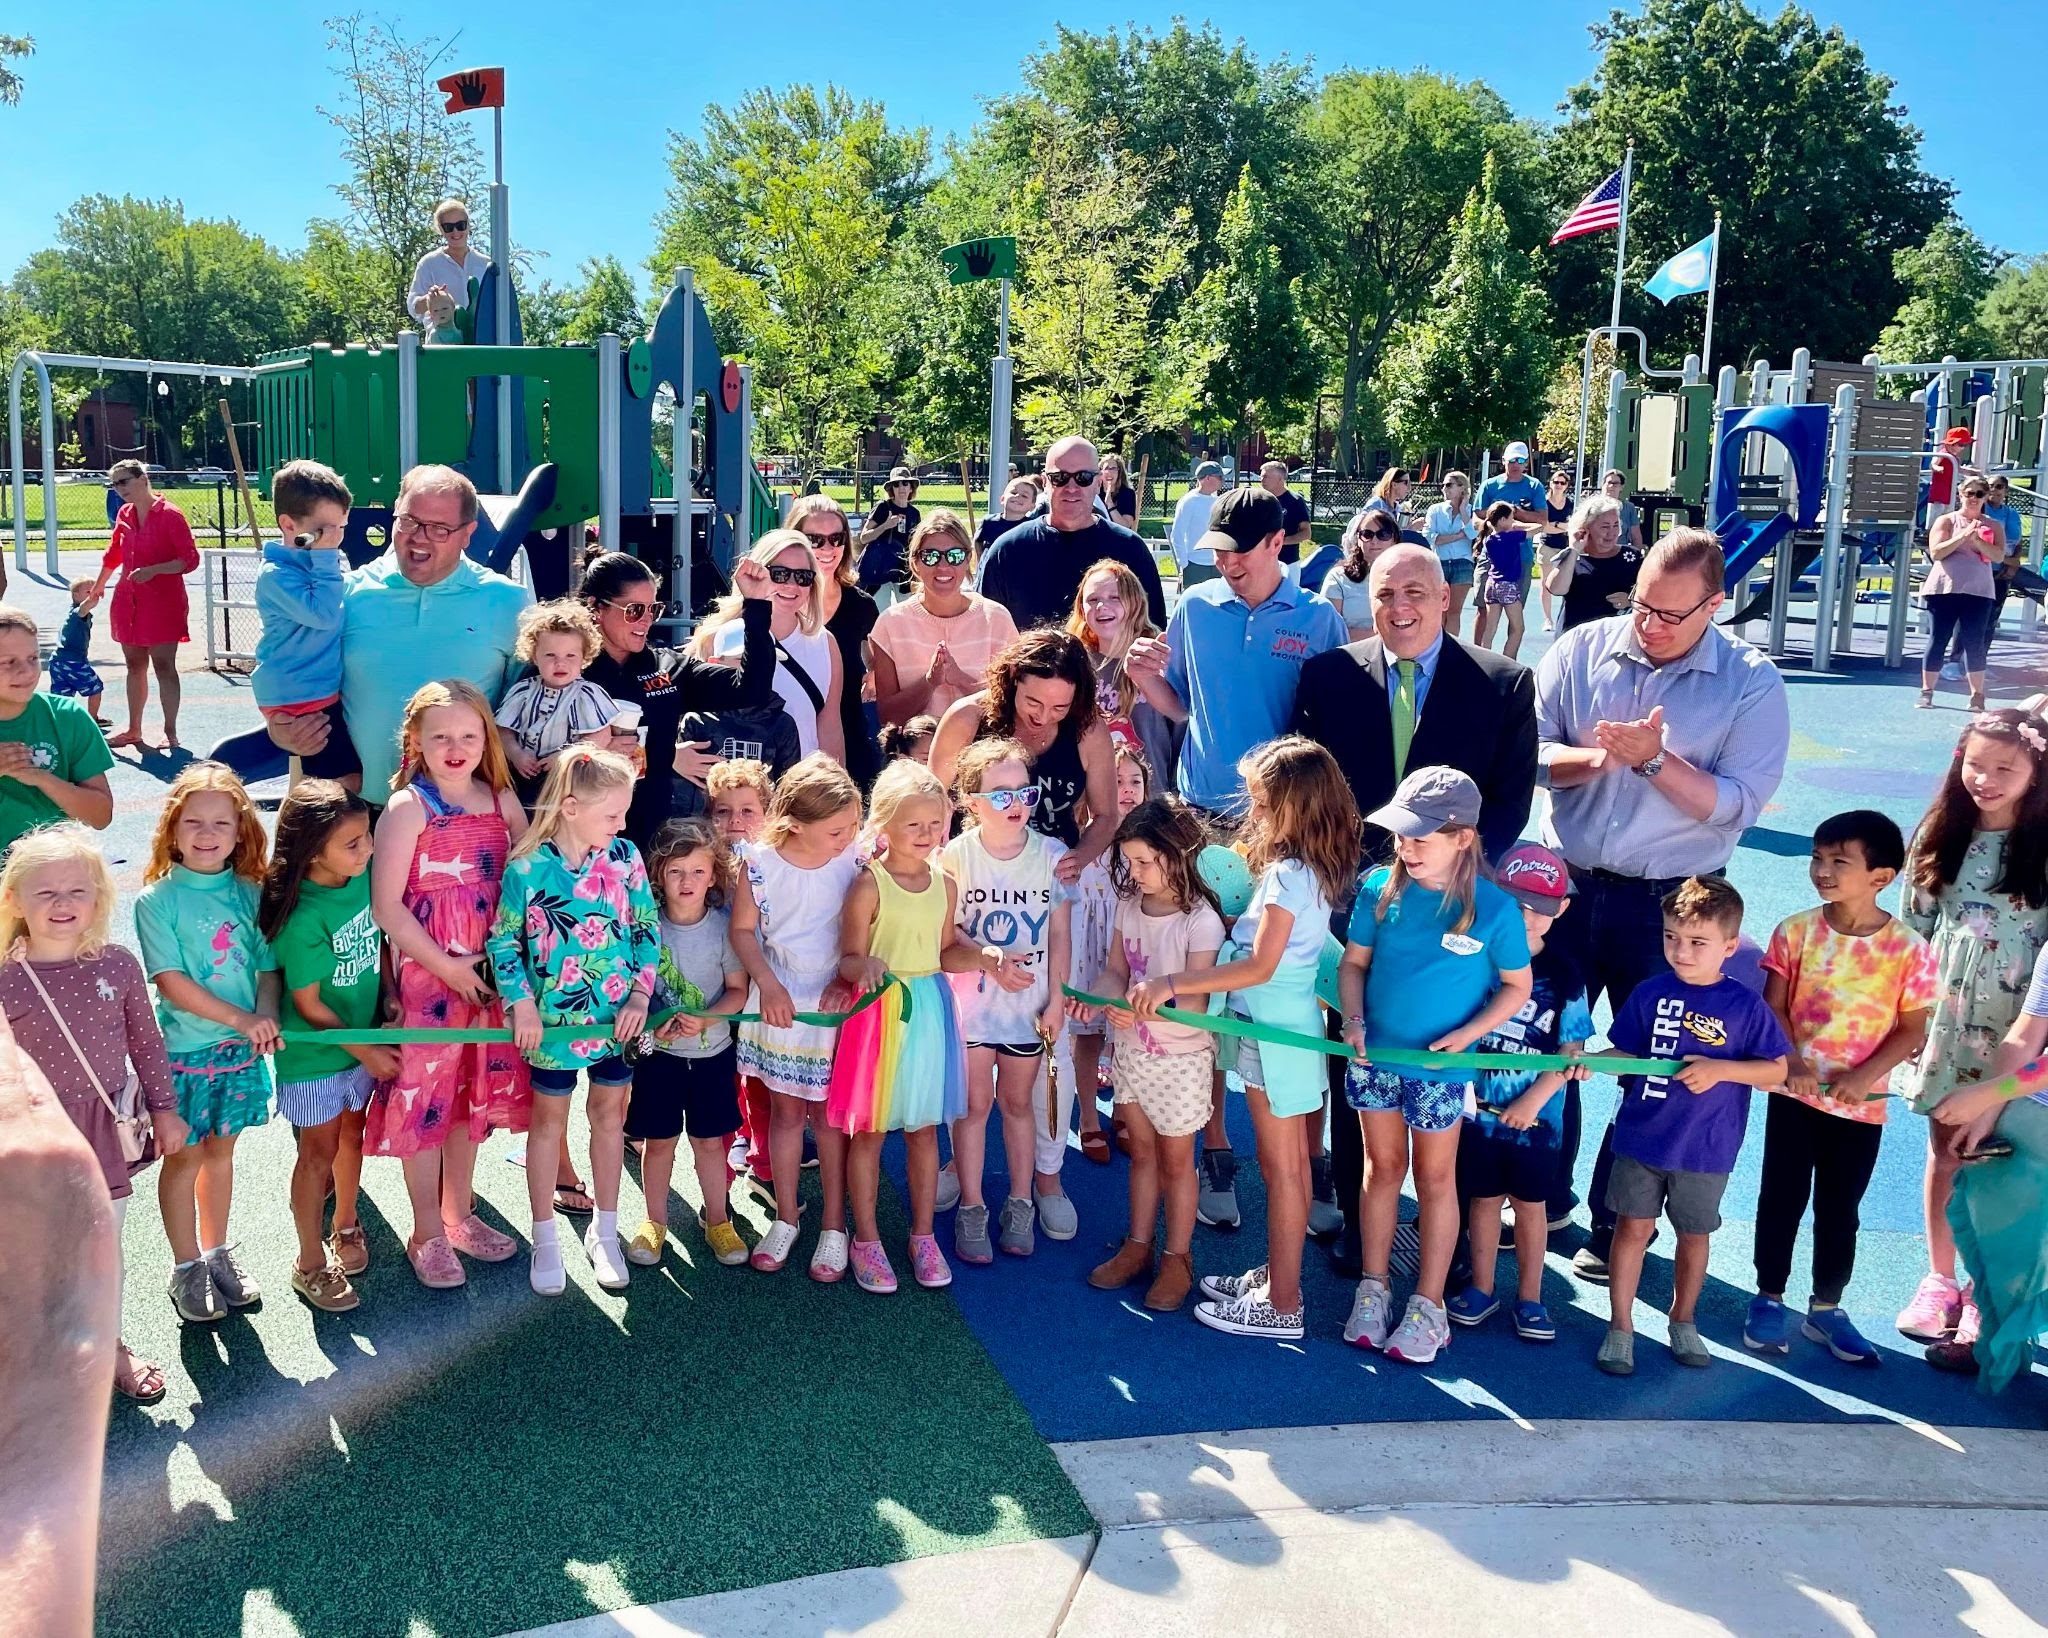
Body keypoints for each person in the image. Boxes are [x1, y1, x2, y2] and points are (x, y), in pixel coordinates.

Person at [1535, 527, 1790, 1274]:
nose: (1646, 623)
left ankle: (1621, 1222)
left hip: (1673, 908)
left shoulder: (1751, 682)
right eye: (1639, 603)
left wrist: (1653, 762)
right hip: (1566, 888)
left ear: (1716, 604)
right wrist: (1596, 758)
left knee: (1653, 1062)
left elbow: (1737, 803)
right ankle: (1545, 1203)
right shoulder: (1582, 649)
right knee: (1554, 1044)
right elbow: (1534, 748)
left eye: (1668, 614)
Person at [1160, 737, 1358, 1342]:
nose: (1255, 815)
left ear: (1295, 806)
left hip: (1274, 1035)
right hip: (1275, 1031)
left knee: (1284, 1171)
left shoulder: (1289, 874)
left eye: (1264, 803)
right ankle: (1279, 1276)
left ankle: (1284, 1300)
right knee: (1285, 1168)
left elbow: (1259, 967)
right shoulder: (1303, 869)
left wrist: (1174, 980)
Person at [1336, 767, 1534, 1365]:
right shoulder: (1378, 889)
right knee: (1382, 1167)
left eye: (1423, 837)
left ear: (1464, 838)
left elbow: (1516, 987)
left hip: (1442, 1074)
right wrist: (1353, 1023)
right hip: (1376, 1060)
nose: (1407, 847)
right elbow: (1353, 967)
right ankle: (1374, 1288)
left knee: (1436, 1179)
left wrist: (1469, 1035)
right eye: (1402, 834)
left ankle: (1429, 1304)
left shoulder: (1496, 910)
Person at [1747, 809, 1935, 1364]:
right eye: (1817, 858)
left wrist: (1864, 1076)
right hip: (1793, 1097)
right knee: (1780, 1196)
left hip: (1861, 1108)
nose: (1822, 870)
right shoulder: (1796, 931)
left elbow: (1913, 1028)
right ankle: (1768, 1295)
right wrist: (1792, 1062)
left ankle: (1826, 1307)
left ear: (1881, 878)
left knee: (1840, 1206)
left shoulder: (1907, 949)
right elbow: (1773, 1007)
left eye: (1839, 861)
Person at [0, 825, 180, 1401]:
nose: (62, 904)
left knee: (101, 1248)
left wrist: (165, 1109)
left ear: (99, 898)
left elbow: (147, 1043)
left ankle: (109, 1345)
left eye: (77, 891)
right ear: (15, 901)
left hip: (103, 1129)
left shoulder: (118, 966)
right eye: (45, 892)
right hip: (29, 1137)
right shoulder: (6, 978)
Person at [365, 680, 532, 1277]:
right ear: (416, 741)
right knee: (427, 1100)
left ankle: (459, 1213)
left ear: (486, 738)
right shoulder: (408, 808)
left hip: (488, 981)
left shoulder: (499, 803)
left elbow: (523, 888)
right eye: (441, 737)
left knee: (471, 1095)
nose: (456, 747)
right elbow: (388, 908)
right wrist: (448, 968)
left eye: (468, 735)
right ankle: (426, 1231)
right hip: (430, 982)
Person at [1894, 709, 2048, 1351]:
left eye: (2004, 769)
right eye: (1974, 764)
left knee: (2003, 1163)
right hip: (1951, 1028)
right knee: (1947, 1152)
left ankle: (1989, 1289)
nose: (1984, 778)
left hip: (2019, 1029)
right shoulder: (1941, 833)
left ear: (2037, 774)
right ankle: (1939, 1277)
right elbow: (1914, 932)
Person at [1594, 877, 1790, 1376]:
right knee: (1631, 1228)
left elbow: (1775, 1071)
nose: (1681, 951)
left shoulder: (1745, 1005)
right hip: (1641, 1138)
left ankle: (1683, 1319)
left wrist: (1721, 1068)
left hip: (1706, 1148)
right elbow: (1628, 1054)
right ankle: (1620, 1326)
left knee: (1693, 1233)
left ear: (1729, 946)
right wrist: (1592, 1061)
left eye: (1697, 942)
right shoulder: (1649, 992)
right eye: (1670, 937)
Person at [490, 747, 660, 1296]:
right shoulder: (526, 868)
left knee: (610, 1114)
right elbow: (503, 942)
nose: (622, 825)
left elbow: (646, 929)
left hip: (618, 1023)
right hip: (553, 1026)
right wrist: (521, 1004)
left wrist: (639, 996)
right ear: (569, 807)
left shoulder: (627, 856)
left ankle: (604, 1233)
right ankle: (546, 1236)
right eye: (611, 815)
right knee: (548, 1123)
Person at [267, 466, 533, 801]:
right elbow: (290, 668)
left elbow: (532, 704)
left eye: (439, 529)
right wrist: (281, 731)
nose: (419, 536)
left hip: (461, 822)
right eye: (409, 521)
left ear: (468, 534)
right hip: (355, 817)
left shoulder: (510, 602)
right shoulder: (344, 596)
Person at [133, 762, 279, 1326]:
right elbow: (171, 981)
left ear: (240, 830)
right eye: (193, 821)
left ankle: (217, 1254)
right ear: (172, 829)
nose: (207, 833)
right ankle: (185, 1266)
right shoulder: (157, 901)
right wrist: (243, 1020)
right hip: (186, 1056)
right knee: (185, 1158)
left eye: (221, 822)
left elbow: (268, 968)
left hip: (239, 1055)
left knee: (221, 1154)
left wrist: (263, 1016)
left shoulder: (251, 892)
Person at [825, 760, 973, 1293]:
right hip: (878, 1020)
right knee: (869, 1133)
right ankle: (866, 1238)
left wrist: (988, 958)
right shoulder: (869, 885)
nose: (929, 835)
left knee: (924, 1130)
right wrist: (861, 967)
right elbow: (847, 958)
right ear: (885, 824)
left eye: (936, 824)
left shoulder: (946, 884)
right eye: (916, 825)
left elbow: (946, 952)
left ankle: (923, 1235)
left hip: (929, 1012)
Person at [1125, 488, 1347, 822]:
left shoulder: (1319, 617)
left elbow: (1335, 724)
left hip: (1280, 816)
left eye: (1240, 549)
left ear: (1277, 543)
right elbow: (1182, 707)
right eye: (1219, 548)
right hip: (1199, 810)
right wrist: (1144, 677)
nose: (1227, 561)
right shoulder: (1194, 605)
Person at [1083, 796, 1225, 1311]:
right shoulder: (1128, 906)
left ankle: (1177, 1257)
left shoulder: (1200, 920)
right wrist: (1101, 1000)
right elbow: (1116, 971)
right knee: (1141, 1153)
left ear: (1178, 851)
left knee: (1176, 1160)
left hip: (1181, 1062)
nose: (1136, 872)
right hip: (1132, 1053)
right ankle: (1138, 1246)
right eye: (1130, 862)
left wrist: (1131, 1011)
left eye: (1145, 861)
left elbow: (1193, 1002)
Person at [1445, 843, 1592, 1342]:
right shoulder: (1476, 958)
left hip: (1538, 1125)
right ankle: (1482, 1289)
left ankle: (1530, 1298)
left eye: (1542, 909)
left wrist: (1532, 1100)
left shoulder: (1567, 973)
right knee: (1483, 1202)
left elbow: (1573, 1052)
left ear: (1562, 910)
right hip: (1477, 1116)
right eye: (1518, 904)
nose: (1528, 918)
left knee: (1530, 1208)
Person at [728, 755, 864, 1276]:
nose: (849, 835)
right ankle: (786, 1217)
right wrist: (768, 983)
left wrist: (844, 979)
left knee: (831, 1121)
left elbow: (863, 929)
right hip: (779, 1004)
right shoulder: (759, 863)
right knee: (785, 1116)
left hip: (835, 1006)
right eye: (837, 829)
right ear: (795, 824)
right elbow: (743, 931)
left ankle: (834, 1224)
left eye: (853, 825)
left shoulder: (853, 860)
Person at [258, 780, 388, 1315]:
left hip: (358, 1046)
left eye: (367, 837)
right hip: (317, 1057)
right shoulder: (303, 915)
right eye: (353, 843)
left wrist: (392, 1002)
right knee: (316, 1156)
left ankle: (346, 1224)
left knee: (351, 1141)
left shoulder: (358, 879)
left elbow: (377, 949)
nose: (368, 850)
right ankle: (309, 1261)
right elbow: (310, 1006)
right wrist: (368, 1051)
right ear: (313, 850)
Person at [942, 738, 1073, 1263]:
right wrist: (989, 960)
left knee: (1017, 1105)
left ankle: (1021, 1201)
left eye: (1025, 791)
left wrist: (1057, 1000)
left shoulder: (1052, 855)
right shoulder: (953, 856)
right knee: (973, 1108)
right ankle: (972, 1206)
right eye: (999, 794)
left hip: (1029, 1010)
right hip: (971, 1009)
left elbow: (1062, 937)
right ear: (970, 802)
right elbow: (946, 939)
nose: (1016, 802)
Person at [577, 547, 775, 848]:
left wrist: (757, 605)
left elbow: (751, 689)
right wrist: (589, 750)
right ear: (596, 608)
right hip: (577, 833)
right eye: (634, 610)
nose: (645, 621)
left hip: (647, 836)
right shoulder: (565, 666)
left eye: (653, 610)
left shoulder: (666, 667)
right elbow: (527, 750)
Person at [627, 819, 750, 1269]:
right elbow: (633, 996)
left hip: (713, 1057)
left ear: (714, 876)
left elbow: (738, 991)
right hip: (659, 1058)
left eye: (698, 872)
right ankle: (654, 1222)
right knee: (658, 1143)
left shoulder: (723, 928)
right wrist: (654, 1029)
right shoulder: (646, 928)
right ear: (659, 874)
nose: (687, 881)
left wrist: (707, 1017)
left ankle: (717, 1219)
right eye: (676, 871)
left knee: (709, 1144)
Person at [1928, 936, 2048, 1384]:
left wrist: (1986, 1093)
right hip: (2035, 1108)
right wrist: (1987, 1113)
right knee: (2008, 1235)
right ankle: (1998, 1340)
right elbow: (2024, 1037)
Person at [929, 629, 1120, 875]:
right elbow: (931, 799)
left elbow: (1106, 816)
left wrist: (1076, 860)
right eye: (1034, 702)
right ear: (1013, 675)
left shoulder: (1088, 730)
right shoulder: (966, 718)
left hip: (1052, 871)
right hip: (973, 870)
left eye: (1059, 708)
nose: (1043, 717)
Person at [978, 436, 1166, 630]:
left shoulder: (1129, 550)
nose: (1071, 488)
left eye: (1083, 478)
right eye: (1060, 478)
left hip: (1111, 661)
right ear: (1045, 482)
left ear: (1098, 483)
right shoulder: (1008, 551)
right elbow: (985, 634)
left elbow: (1152, 632)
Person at [692, 530, 842, 766]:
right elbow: (685, 718)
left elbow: (829, 726)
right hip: (730, 793)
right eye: (780, 574)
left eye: (803, 576)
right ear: (756, 575)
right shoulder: (717, 638)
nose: (791, 585)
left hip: (799, 791)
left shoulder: (825, 644)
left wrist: (835, 791)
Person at [253, 459, 362, 785]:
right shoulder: (276, 576)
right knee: (341, 783)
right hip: (302, 693)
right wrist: (326, 555)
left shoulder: (310, 566)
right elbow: (324, 615)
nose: (336, 539)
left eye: (341, 528)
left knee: (319, 782)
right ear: (289, 525)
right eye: (324, 530)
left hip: (315, 688)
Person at [1069, 743, 1151, 1163]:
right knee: (1088, 1032)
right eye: (1116, 781)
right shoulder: (1085, 836)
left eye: (1134, 781)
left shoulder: (1149, 839)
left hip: (1130, 945)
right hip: (1087, 944)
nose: (1126, 789)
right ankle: (1087, 1116)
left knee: (1125, 1029)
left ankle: (1121, 1106)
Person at [91, 459, 200, 751]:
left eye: (123, 481)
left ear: (143, 478)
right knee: (134, 664)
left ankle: (171, 732)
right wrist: (98, 586)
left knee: (164, 665)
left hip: (162, 604)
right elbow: (114, 554)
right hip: (128, 601)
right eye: (114, 484)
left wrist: (155, 570)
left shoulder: (170, 515)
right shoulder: (124, 513)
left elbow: (190, 559)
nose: (118, 489)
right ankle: (134, 730)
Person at [869, 512, 1018, 726]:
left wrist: (961, 680)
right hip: (914, 756)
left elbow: (1012, 705)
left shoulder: (996, 619)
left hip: (983, 753)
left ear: (968, 560)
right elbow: (888, 716)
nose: (943, 566)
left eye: (954, 555)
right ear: (915, 562)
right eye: (931, 556)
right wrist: (930, 681)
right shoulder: (890, 624)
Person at [703, 757, 775, 1180]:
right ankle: (724, 1171)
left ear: (767, 814)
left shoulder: (773, 863)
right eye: (723, 811)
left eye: (748, 810)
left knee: (762, 1081)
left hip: (765, 988)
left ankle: (764, 1163)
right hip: (720, 989)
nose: (735, 820)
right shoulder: (703, 867)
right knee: (725, 1081)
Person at [0, 606, 114, 854]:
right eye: (8, 662)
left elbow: (101, 816)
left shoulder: (66, 717)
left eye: (33, 658)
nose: (27, 671)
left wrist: (42, 778)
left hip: (53, 874)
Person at [494, 600, 628, 803]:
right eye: (550, 655)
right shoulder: (523, 690)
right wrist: (516, 754)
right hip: (524, 774)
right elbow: (503, 730)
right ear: (534, 656)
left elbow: (600, 735)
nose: (560, 663)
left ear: (584, 658)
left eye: (570, 655)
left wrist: (566, 756)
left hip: (569, 778)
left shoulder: (586, 694)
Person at [790, 494, 882, 787]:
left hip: (848, 742)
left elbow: (876, 658)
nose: (827, 548)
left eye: (836, 538)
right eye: (814, 540)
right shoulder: (778, 601)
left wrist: (875, 672)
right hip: (785, 746)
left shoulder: (861, 606)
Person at [1066, 558, 1176, 785]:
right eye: (1093, 599)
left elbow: (1184, 725)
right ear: (1081, 609)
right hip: (1095, 801)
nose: (1101, 606)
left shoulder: (1159, 655)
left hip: (1152, 799)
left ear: (1135, 602)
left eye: (1114, 598)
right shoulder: (1073, 664)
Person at [1919, 474, 2006, 712]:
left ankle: (1977, 696)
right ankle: (1927, 692)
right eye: (1970, 494)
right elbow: (1936, 552)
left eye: (1979, 494)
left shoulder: (1993, 525)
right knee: (1938, 639)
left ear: (1986, 497)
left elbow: (1998, 556)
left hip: (1979, 592)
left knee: (1974, 643)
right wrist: (1962, 536)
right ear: (1960, 495)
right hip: (1944, 589)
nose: (1974, 499)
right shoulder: (1946, 521)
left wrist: (1978, 540)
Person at [1543, 493, 1642, 634]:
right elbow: (1556, 589)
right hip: (1575, 637)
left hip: (1615, 637)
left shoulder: (1631, 557)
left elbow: (1652, 595)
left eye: (1615, 526)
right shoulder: (1574, 558)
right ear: (1586, 528)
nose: (1612, 533)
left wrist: (1631, 600)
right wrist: (1574, 549)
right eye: (1605, 527)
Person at [408, 199, 490, 339]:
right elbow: (413, 307)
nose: (455, 232)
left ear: (469, 225)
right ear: (440, 229)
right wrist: (432, 298)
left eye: (460, 225)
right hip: (443, 343)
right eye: (448, 227)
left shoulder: (486, 264)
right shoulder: (429, 263)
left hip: (483, 342)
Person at [1320, 509, 1403, 642]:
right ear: (1358, 540)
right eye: (1367, 534)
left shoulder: (1409, 578)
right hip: (1349, 655)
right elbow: (1328, 630)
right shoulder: (1338, 578)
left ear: (1394, 539)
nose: (1374, 541)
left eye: (1383, 534)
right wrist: (1385, 635)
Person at [1471, 502, 1532, 660]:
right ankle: (1508, 660)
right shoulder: (1511, 537)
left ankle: (1485, 660)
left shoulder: (1489, 539)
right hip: (1508, 586)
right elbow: (1539, 528)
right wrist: (1521, 525)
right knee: (1518, 628)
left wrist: (1512, 525)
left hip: (1492, 585)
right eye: (1511, 519)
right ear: (1503, 520)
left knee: (1490, 629)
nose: (1513, 522)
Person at [1421, 471, 1477, 639]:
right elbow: (1430, 537)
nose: (1444, 488)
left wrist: (1462, 511)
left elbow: (1473, 534)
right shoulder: (1435, 510)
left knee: (1454, 611)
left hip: (1463, 564)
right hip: (1440, 563)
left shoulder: (1470, 510)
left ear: (1462, 488)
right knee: (1438, 610)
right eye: (1444, 485)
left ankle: (1451, 648)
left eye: (1449, 485)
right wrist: (1458, 536)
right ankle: (1434, 645)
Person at [854, 467, 923, 593]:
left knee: (905, 610)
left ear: (911, 488)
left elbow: (917, 544)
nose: (901, 488)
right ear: (892, 489)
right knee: (881, 610)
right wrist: (886, 525)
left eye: (905, 483)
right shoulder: (883, 507)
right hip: (880, 570)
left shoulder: (914, 513)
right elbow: (864, 537)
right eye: (896, 484)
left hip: (903, 571)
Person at [48, 580, 106, 724]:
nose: (93, 594)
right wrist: (90, 600)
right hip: (73, 662)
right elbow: (84, 607)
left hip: (57, 661)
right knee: (95, 687)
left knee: (62, 695)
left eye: (94, 590)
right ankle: (92, 719)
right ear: (75, 594)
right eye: (88, 592)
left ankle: (58, 721)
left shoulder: (73, 612)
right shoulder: (77, 613)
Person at [1169, 461, 1226, 585]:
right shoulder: (1189, 501)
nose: (1223, 480)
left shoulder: (1217, 500)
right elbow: (1177, 534)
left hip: (1216, 564)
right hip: (1195, 565)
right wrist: (1184, 564)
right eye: (1220, 477)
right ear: (1208, 478)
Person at [1536, 468, 1574, 631]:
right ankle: (1547, 619)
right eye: (1556, 482)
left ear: (1567, 486)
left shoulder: (1570, 504)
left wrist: (1556, 525)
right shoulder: (1543, 503)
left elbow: (1572, 526)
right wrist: (1561, 526)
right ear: (1550, 484)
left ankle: (1565, 617)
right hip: (1547, 546)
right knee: (1545, 583)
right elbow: (1544, 527)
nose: (1559, 485)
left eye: (1562, 483)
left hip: (1565, 548)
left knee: (1568, 583)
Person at [1478, 442, 1547, 529]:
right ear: (1503, 461)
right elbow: (1476, 519)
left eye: (1520, 460)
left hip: (1522, 541)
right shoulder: (1488, 485)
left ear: (1527, 462)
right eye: (1512, 460)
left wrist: (1515, 511)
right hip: (1493, 541)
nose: (1516, 464)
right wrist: (1497, 529)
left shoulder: (1535, 486)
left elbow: (1543, 521)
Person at [1259, 460, 1312, 564]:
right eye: (1261, 476)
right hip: (1262, 561)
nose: (1262, 480)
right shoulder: (1258, 500)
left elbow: (1306, 533)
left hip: (1288, 562)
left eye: (1266, 477)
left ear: (1280, 479)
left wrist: (1281, 542)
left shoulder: (1295, 501)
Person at [975, 476, 1042, 552]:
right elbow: (978, 541)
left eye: (1024, 496)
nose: (1017, 496)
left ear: (1032, 506)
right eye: (1013, 492)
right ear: (1002, 499)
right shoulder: (989, 522)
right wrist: (981, 559)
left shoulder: (1032, 528)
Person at [1602, 469, 1645, 551]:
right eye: (1609, 482)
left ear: (1621, 487)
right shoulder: (1592, 507)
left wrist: (1636, 556)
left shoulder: (1629, 508)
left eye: (1615, 484)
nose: (1611, 486)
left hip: (1619, 554)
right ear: (1603, 485)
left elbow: (1636, 536)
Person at [1102, 454, 1141, 531]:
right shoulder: (1093, 493)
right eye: (1106, 468)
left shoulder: (1127, 494)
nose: (1109, 472)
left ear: (1119, 473)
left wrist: (1110, 504)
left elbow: (1125, 526)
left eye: (1113, 469)